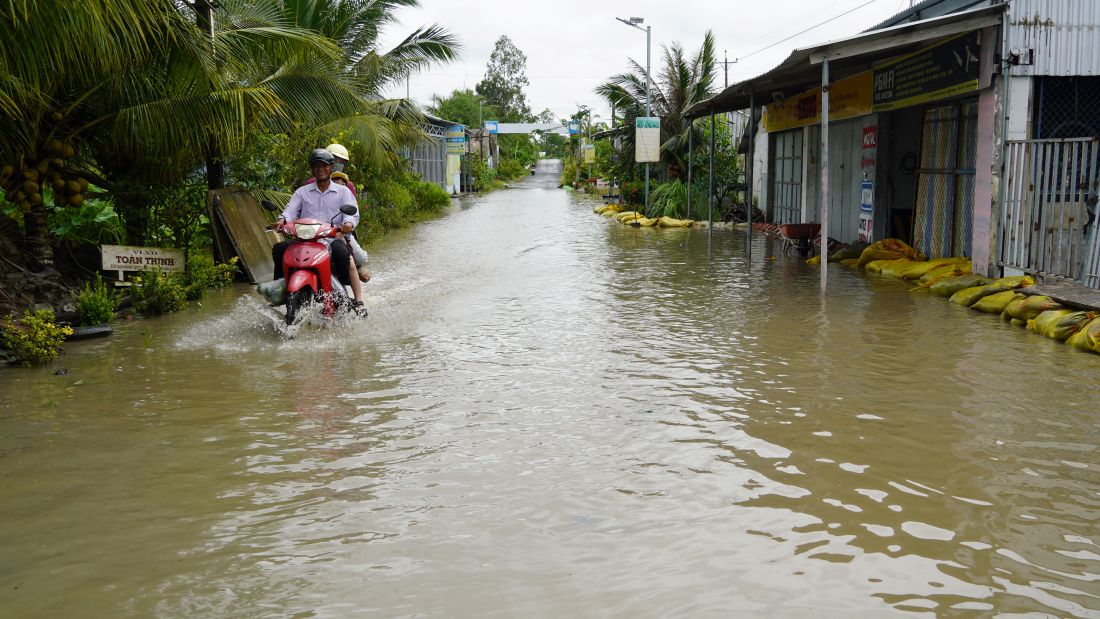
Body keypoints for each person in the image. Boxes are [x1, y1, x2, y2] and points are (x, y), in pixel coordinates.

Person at [271, 148, 363, 309]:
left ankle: (346, 290)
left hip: (332, 239)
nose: (320, 169)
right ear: (312, 169)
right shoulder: (302, 192)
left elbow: (352, 215)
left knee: (342, 254)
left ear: (331, 167)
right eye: (316, 166)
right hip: (305, 242)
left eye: (324, 165)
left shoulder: (343, 192)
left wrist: (347, 224)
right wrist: (282, 220)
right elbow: (290, 211)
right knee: (279, 249)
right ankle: (281, 289)